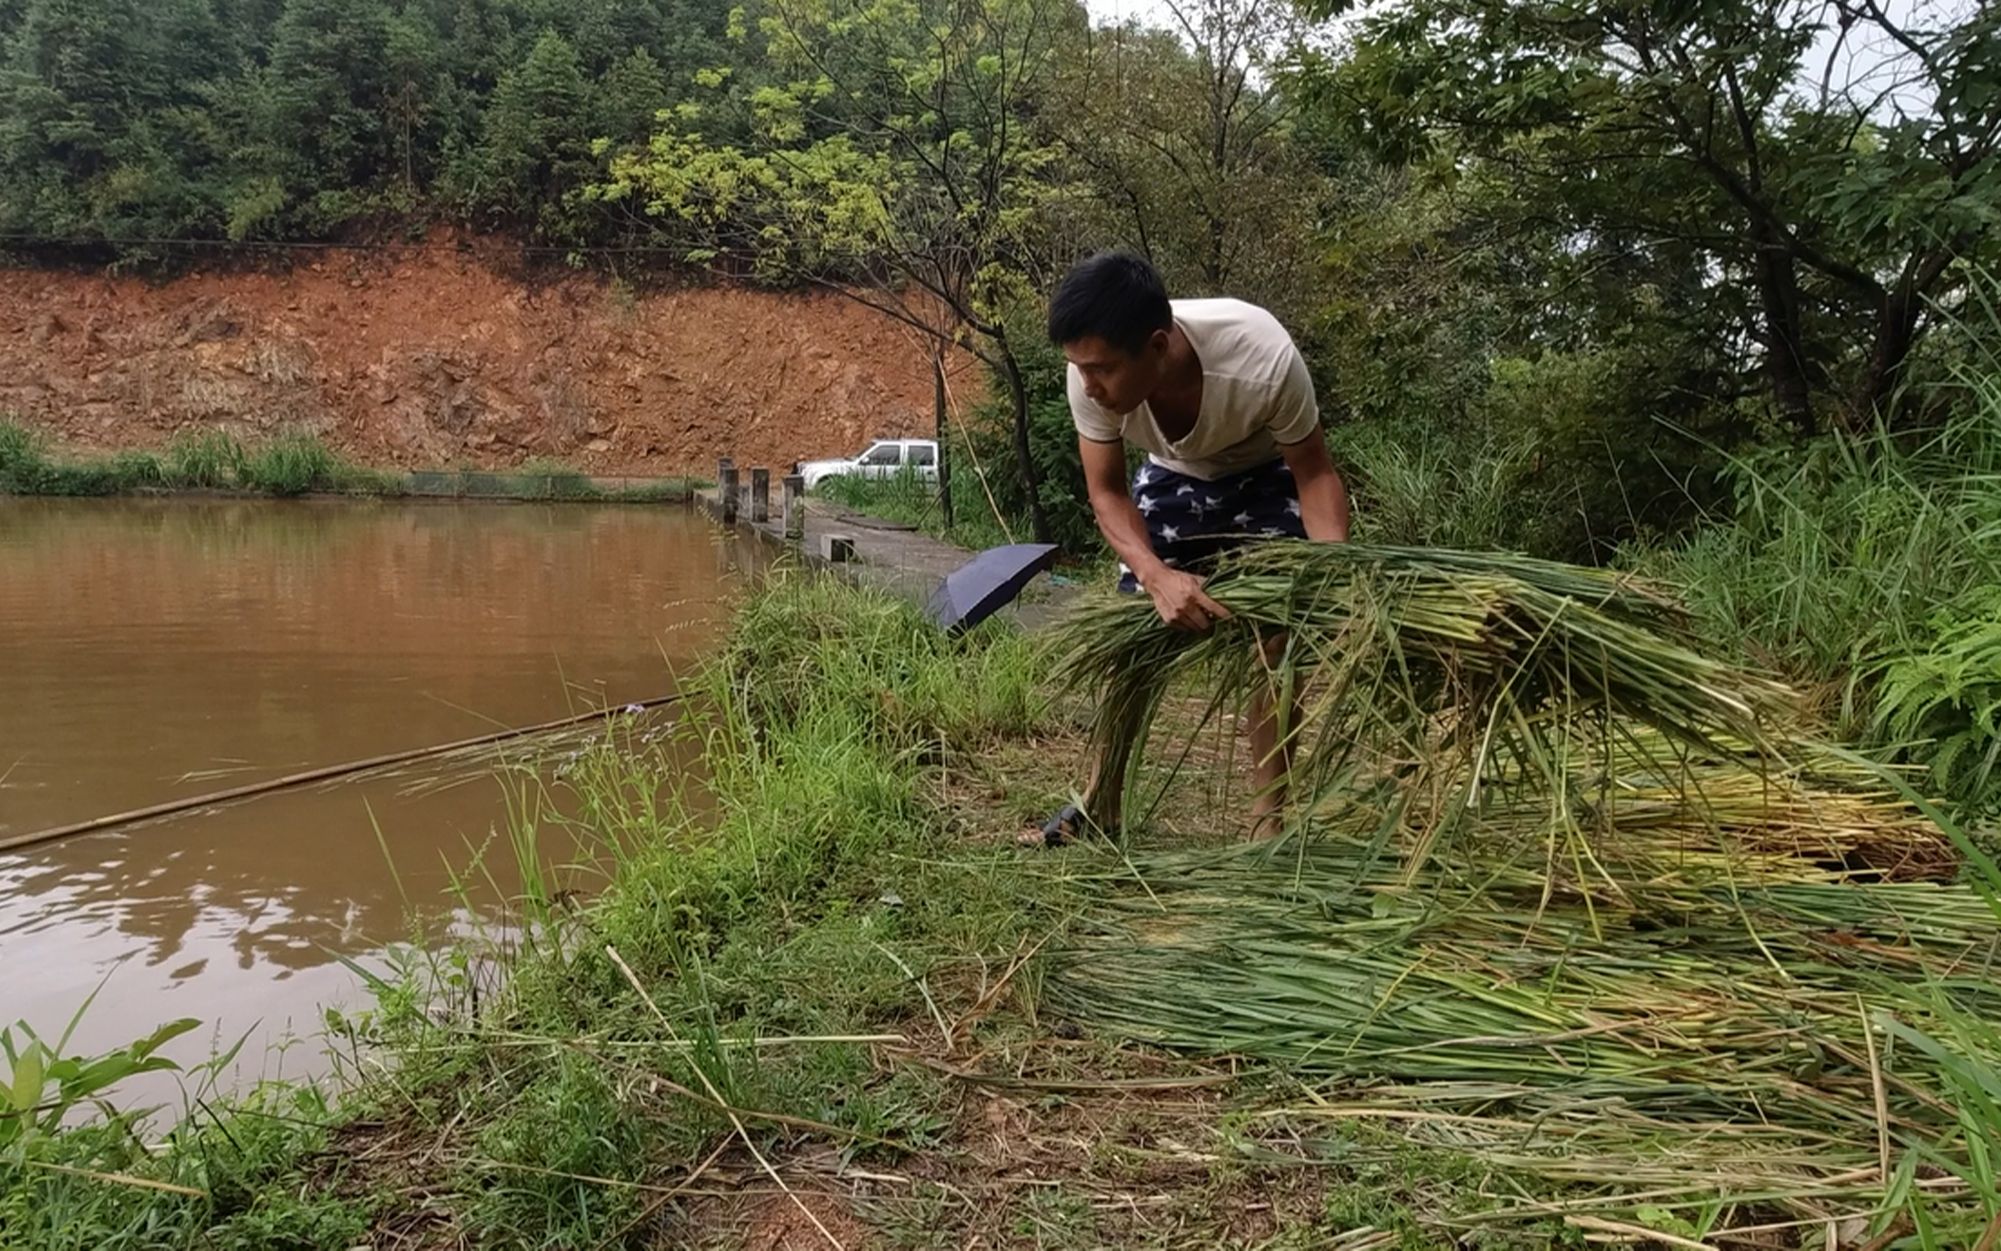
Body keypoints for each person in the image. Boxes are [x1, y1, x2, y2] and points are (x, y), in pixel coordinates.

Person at [1033, 251, 1351, 845]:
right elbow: (1105, 494)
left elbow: (1314, 475)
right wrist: (1156, 576)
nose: (1087, 384)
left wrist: (1332, 573)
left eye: (1100, 369)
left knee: (1274, 639)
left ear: (1157, 346)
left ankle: (1267, 823)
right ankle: (1101, 803)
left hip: (1264, 472)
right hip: (1174, 475)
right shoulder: (1088, 378)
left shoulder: (1263, 357)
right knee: (1130, 635)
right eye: (1079, 368)